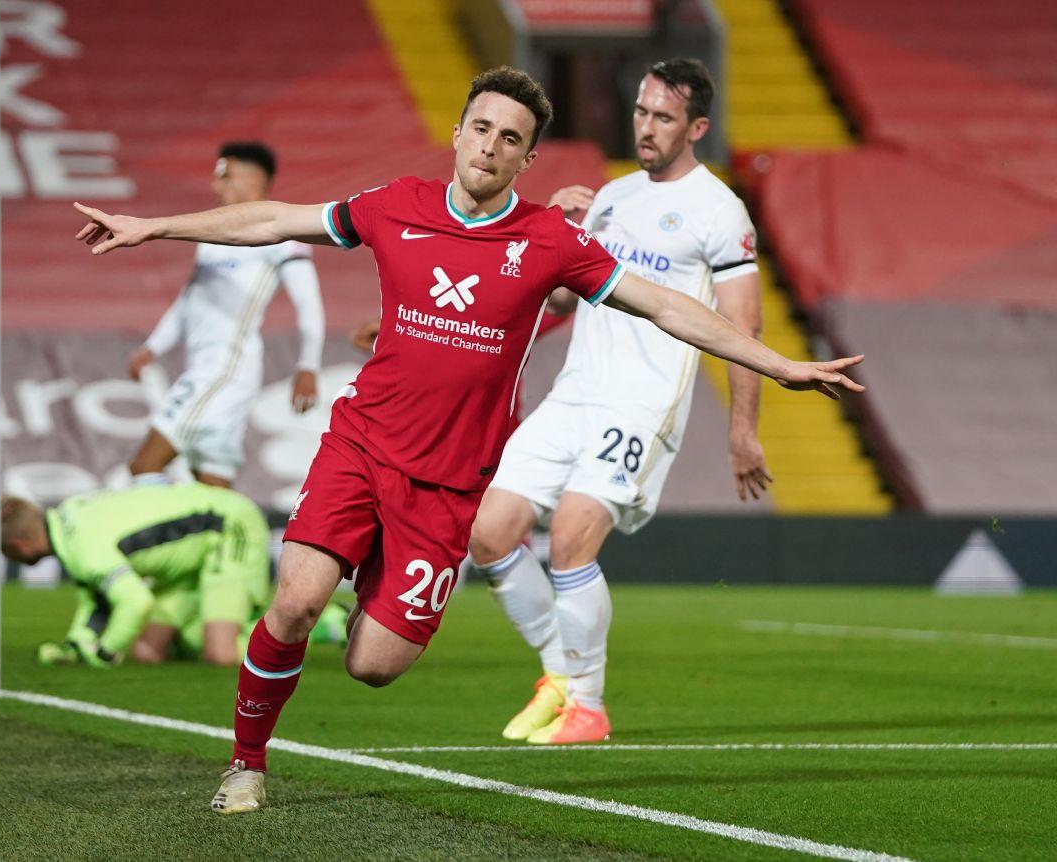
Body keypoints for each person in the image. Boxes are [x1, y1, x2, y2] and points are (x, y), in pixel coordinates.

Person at [72, 65, 864, 815]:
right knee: (295, 602)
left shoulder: (551, 242)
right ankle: (246, 763)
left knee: (373, 667)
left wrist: (778, 365)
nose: (489, 146)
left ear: (525, 157)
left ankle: (379, 579)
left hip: (449, 484)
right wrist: (155, 226)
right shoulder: (394, 204)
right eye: (480, 128)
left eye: (509, 138)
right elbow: (274, 220)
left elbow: (665, 306)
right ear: (456, 133)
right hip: (362, 444)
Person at [467, 59, 771, 746]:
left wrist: (742, 430)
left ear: (696, 127)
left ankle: (590, 707)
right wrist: (558, 227)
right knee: (488, 530)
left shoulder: (720, 213)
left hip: (640, 404)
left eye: (663, 117)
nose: (645, 127)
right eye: (639, 111)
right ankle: (559, 677)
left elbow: (743, 328)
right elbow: (565, 298)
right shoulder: (608, 197)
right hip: (575, 394)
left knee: (572, 537)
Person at [127, 142, 325, 489]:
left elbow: (308, 304)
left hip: (224, 368)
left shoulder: (281, 234)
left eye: (225, 177)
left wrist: (307, 366)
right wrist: (153, 346)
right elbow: (190, 299)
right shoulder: (212, 235)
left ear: (253, 182)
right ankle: (231, 542)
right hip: (207, 366)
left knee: (144, 466)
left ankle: (160, 542)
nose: (215, 186)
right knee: (211, 483)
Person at [0, 484, 346, 668]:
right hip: (189, 559)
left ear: (19, 545)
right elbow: (98, 598)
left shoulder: (83, 549)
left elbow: (135, 601)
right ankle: (211, 627)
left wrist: (105, 653)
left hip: (228, 527)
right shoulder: (67, 519)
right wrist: (78, 645)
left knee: (221, 654)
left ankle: (325, 623)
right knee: (149, 651)